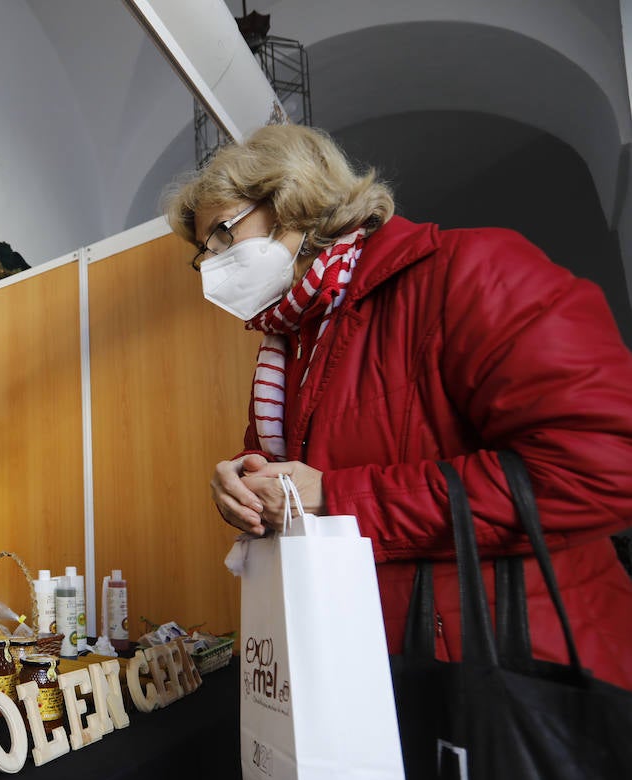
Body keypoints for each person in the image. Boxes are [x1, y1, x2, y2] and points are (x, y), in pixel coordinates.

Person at [162, 123, 632, 689]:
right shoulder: (293, 343)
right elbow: (307, 473)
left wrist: (335, 498)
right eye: (202, 254)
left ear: (288, 198)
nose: (212, 263)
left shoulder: (469, 270)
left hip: (523, 677)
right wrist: (246, 485)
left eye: (221, 234)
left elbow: (604, 465)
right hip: (387, 673)